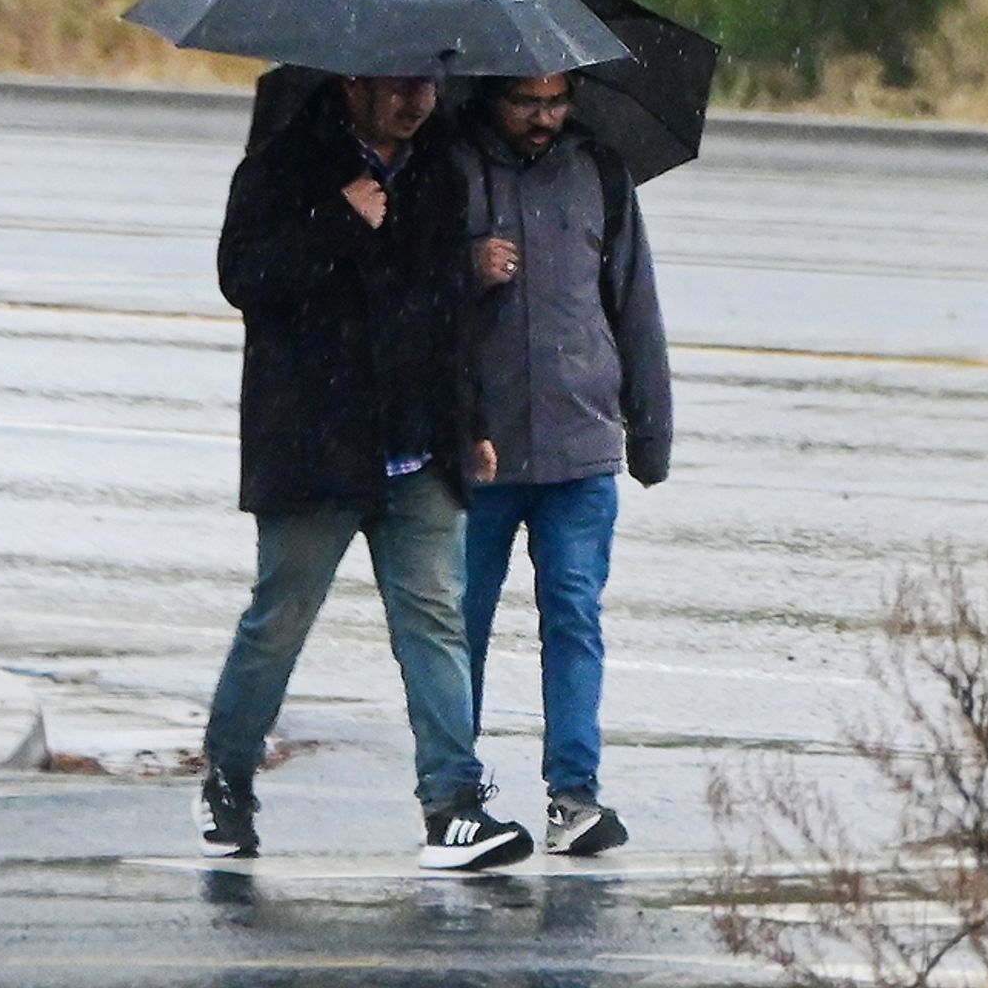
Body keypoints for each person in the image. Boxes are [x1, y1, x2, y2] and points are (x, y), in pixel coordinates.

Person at [199, 68, 534, 872]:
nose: (418, 100)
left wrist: (473, 422)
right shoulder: (282, 167)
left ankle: (453, 806)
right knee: (281, 619)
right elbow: (245, 280)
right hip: (319, 444)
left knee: (436, 622)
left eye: (429, 84)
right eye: (401, 84)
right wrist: (336, 220)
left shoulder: (438, 169)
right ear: (354, 81)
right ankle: (227, 775)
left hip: (420, 440)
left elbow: (443, 313)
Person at [450, 69, 674, 860]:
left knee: (575, 615)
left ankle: (573, 797)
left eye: (556, 101)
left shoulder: (600, 173)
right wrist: (465, 267)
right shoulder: (448, 169)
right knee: (460, 625)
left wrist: (650, 431)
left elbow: (634, 304)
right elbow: (402, 295)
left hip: (581, 446)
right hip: (478, 447)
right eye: (526, 102)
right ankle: (455, 794)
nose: (544, 117)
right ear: (489, 97)